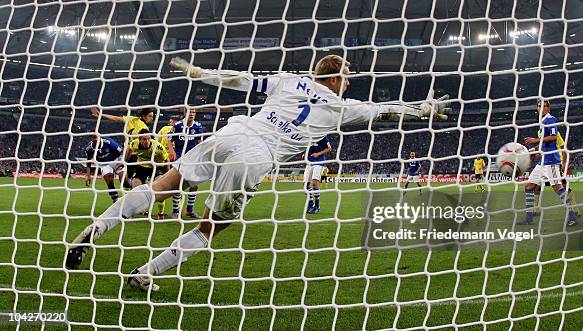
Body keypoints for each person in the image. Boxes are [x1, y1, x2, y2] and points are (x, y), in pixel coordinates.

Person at [65, 55, 451, 292]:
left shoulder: (287, 80)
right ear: (334, 79)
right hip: (256, 155)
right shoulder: (342, 105)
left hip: (233, 131)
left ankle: (96, 229)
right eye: (346, 78)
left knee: (163, 185)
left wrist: (200, 73)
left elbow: (240, 80)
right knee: (211, 227)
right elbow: (386, 110)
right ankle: (146, 272)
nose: (347, 84)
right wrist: (425, 109)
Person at [519, 99, 579, 226]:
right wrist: (532, 150)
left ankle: (572, 216)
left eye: (545, 106)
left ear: (548, 108)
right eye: (540, 106)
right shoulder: (541, 123)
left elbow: (553, 137)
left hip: (551, 161)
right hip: (542, 162)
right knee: (529, 187)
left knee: (558, 188)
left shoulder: (550, 119)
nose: (542, 108)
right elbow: (543, 143)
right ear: (537, 108)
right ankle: (529, 219)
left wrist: (535, 140)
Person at [168, 107, 205, 218]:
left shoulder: (198, 126)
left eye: (194, 112)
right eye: (190, 112)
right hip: (179, 158)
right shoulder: (178, 126)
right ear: (185, 113)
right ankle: (175, 211)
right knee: (178, 184)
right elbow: (169, 139)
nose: (192, 114)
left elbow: (200, 142)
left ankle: (189, 210)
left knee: (194, 185)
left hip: (192, 159)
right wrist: (171, 150)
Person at [85, 135, 124, 203]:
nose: (95, 139)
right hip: (104, 164)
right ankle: (115, 199)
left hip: (116, 160)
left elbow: (121, 151)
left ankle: (130, 194)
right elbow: (88, 161)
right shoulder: (89, 148)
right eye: (93, 137)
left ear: (100, 137)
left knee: (123, 178)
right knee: (108, 179)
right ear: (91, 139)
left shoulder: (108, 142)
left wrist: (122, 161)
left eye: (96, 137)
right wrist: (88, 175)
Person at [304, 136, 333, 214]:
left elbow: (329, 148)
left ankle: (317, 206)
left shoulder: (322, 136)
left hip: (319, 162)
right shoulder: (308, 136)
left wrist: (318, 154)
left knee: (314, 183)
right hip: (309, 162)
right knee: (306, 186)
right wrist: (304, 154)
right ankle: (310, 205)